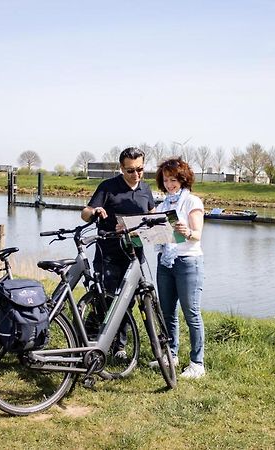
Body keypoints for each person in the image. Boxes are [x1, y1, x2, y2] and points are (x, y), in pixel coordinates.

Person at [81, 147, 155, 357]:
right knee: (107, 299)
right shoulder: (108, 186)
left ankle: (119, 347)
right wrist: (95, 211)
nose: (136, 174)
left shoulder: (146, 189)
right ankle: (91, 339)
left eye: (139, 169)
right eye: (130, 170)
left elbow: (152, 215)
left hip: (134, 254)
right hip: (109, 253)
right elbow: (85, 213)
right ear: (121, 168)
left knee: (128, 301)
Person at [152, 157, 206, 378]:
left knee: (191, 313)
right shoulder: (162, 205)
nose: (169, 184)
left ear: (183, 180)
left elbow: (197, 235)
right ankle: (170, 354)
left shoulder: (192, 201)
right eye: (166, 180)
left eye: (173, 179)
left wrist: (187, 232)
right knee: (166, 313)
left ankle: (197, 363)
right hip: (165, 261)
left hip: (188, 262)